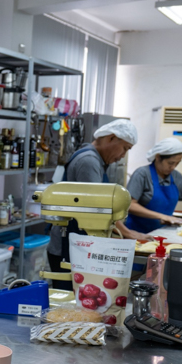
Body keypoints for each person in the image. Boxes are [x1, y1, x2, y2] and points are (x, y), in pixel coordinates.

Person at [47, 119, 140, 290]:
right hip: (68, 247)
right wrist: (127, 233)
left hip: (77, 244)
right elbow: (98, 209)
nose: (123, 155)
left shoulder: (94, 159)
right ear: (111, 138)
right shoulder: (89, 161)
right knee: (70, 305)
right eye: (125, 148)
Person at [124, 137, 182, 233]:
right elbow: (130, 205)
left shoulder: (176, 176)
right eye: (170, 163)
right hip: (137, 232)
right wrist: (161, 216)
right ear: (158, 157)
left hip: (162, 232)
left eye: (177, 163)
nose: (173, 167)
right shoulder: (142, 174)